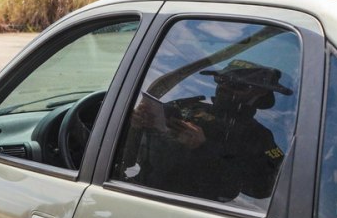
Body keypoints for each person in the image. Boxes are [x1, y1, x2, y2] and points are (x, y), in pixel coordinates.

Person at [125, 59, 292, 202]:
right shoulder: (182, 108)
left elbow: (261, 189)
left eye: (235, 84)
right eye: (221, 79)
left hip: (199, 211)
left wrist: (203, 148)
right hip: (138, 193)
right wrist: (134, 126)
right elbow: (124, 160)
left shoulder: (259, 137)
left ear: (260, 93)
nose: (224, 87)